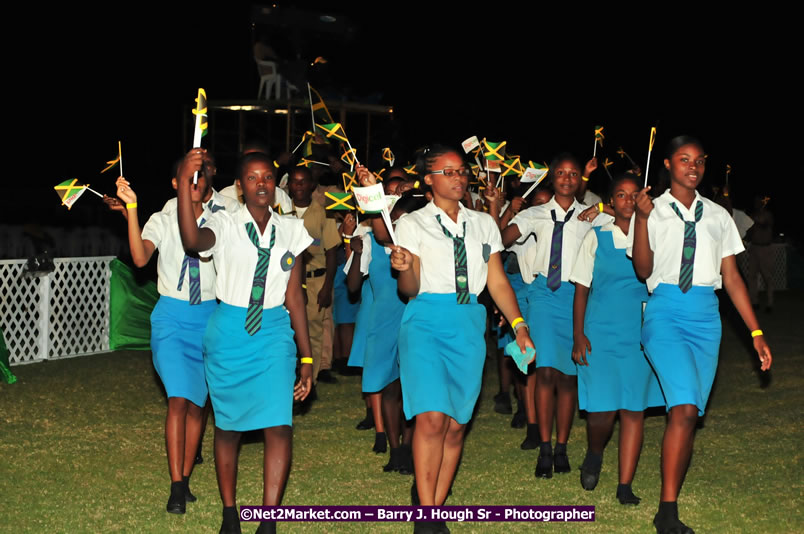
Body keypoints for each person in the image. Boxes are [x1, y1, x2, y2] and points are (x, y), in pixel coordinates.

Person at [382, 145, 534, 534]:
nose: (458, 177)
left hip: (469, 322)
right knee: (431, 418)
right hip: (426, 321)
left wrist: (518, 324)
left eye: (461, 170)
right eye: (447, 171)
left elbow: (497, 280)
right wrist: (403, 267)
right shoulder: (413, 224)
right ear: (428, 180)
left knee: (454, 424)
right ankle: (427, 517)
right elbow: (409, 289)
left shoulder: (484, 224)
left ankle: (434, 501)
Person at [629, 136, 772, 534]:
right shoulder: (651, 209)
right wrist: (641, 219)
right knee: (686, 408)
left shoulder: (718, 216)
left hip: (707, 317)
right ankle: (667, 511)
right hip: (665, 312)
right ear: (668, 164)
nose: (693, 166)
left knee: (688, 415)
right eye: (684, 159)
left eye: (699, 161)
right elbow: (642, 270)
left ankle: (667, 506)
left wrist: (756, 331)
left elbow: (732, 278)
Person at [177, 149, 314, 534]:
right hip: (230, 331)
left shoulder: (291, 230)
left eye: (268, 177)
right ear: (239, 187)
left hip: (273, 332)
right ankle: (229, 514)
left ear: (276, 184)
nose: (261, 184)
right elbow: (191, 240)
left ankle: (268, 521)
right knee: (228, 428)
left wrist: (307, 358)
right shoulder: (224, 224)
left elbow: (295, 298)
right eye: (252, 178)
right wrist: (188, 181)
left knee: (279, 425)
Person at [111, 156, 232, 515]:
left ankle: (185, 477)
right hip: (172, 320)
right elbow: (139, 257)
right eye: (188, 176)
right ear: (175, 183)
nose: (196, 181)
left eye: (202, 176)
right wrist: (131, 209)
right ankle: (176, 486)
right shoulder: (162, 219)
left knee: (199, 405)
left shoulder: (221, 221)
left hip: (210, 316)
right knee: (178, 399)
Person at [501, 153, 610, 479]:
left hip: (577, 299)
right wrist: (507, 213)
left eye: (573, 173)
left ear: (580, 180)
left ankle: (562, 447)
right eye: (560, 172)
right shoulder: (536, 213)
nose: (566, 178)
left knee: (568, 379)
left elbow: (628, 214)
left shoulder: (590, 214)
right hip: (544, 298)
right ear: (552, 177)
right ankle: (545, 448)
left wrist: (602, 207)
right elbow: (501, 240)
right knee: (545, 373)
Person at [570, 175, 664, 505]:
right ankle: (595, 453)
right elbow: (581, 288)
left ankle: (625, 485)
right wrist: (578, 334)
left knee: (633, 410)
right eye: (620, 195)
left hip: (638, 333)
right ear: (612, 200)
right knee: (601, 411)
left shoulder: (654, 234)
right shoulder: (597, 236)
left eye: (633, 194)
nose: (627, 200)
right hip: (599, 331)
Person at [288, 166, 341, 387]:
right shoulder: (280, 209)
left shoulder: (323, 212)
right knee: (287, 330)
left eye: (303, 181)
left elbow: (331, 252)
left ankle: (313, 379)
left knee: (314, 331)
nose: (299, 186)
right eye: (294, 181)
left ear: (312, 185)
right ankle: (289, 376)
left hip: (315, 280)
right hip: (286, 280)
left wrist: (327, 286)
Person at [747, 195, 774, 312]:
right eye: (755, 202)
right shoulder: (752, 215)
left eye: (758, 202)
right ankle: (754, 302)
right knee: (752, 276)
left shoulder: (767, 215)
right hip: (754, 247)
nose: (756, 204)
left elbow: (765, 224)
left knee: (767, 277)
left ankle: (770, 303)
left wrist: (754, 221)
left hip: (765, 248)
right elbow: (749, 230)